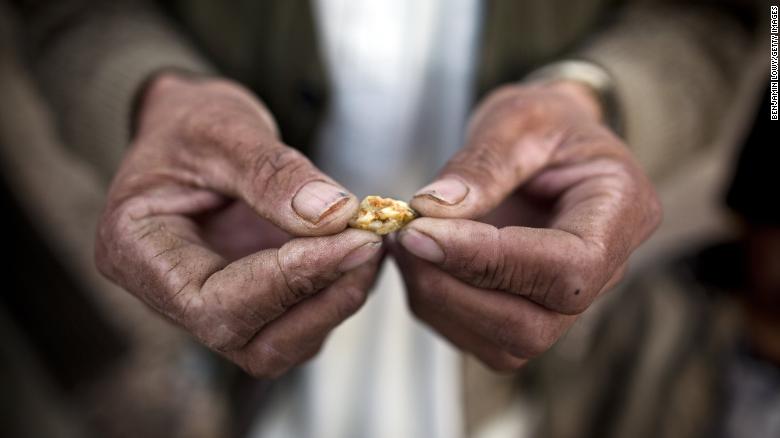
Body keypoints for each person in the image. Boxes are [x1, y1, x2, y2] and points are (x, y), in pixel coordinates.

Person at [0, 0, 765, 436]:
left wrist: (600, 98)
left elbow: (725, 20)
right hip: (259, 295)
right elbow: (61, 9)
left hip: (535, 369)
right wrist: (152, 96)